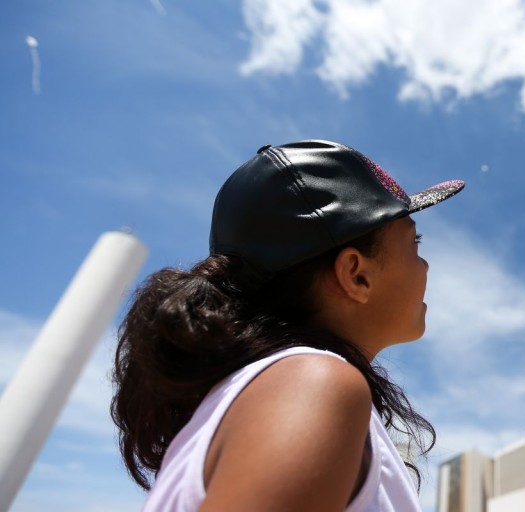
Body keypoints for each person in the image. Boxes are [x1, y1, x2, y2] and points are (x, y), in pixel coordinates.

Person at [111, 140, 464, 511]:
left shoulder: (267, 390)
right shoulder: (314, 383)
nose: (424, 266)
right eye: (415, 242)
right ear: (356, 274)